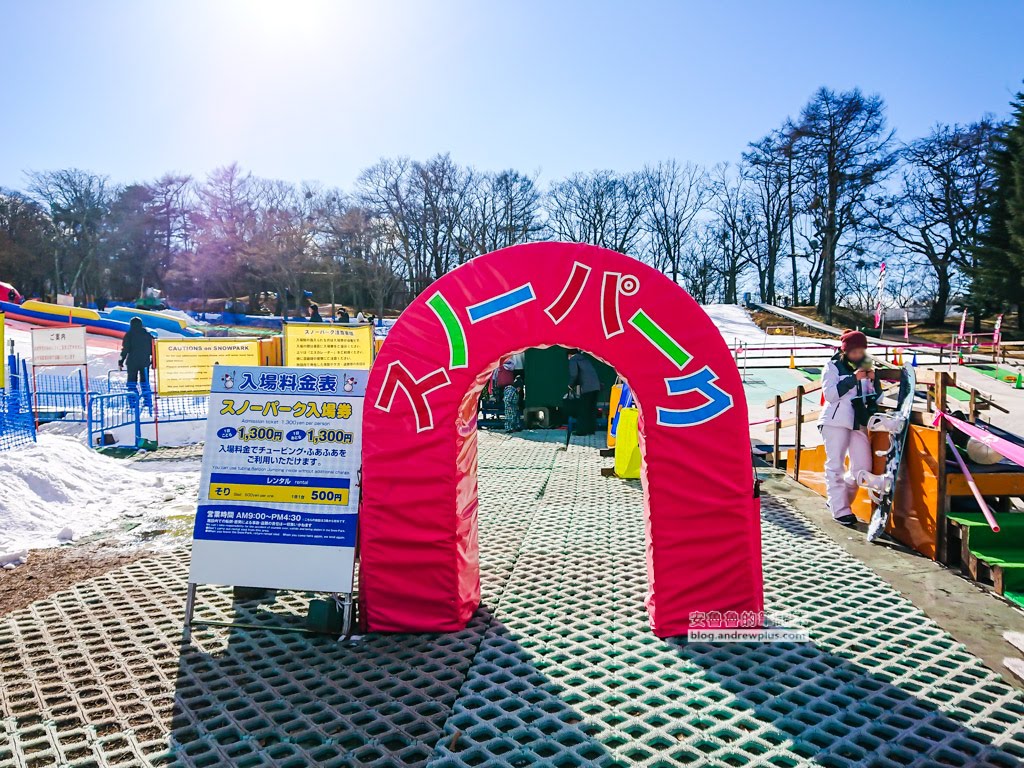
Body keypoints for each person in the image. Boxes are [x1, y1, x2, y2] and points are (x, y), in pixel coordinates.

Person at [819, 330, 878, 527]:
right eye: (853, 351)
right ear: (845, 351)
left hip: (858, 421)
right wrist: (853, 378)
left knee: (862, 468)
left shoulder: (867, 365)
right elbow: (830, 395)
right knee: (835, 465)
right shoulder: (833, 366)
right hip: (835, 421)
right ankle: (840, 509)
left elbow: (876, 398)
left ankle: (837, 501)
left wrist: (873, 380)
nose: (858, 355)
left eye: (861, 351)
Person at [119, 317, 155, 410]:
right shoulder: (148, 335)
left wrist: (121, 361)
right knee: (145, 382)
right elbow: (153, 350)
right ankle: (147, 402)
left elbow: (125, 349)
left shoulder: (129, 335)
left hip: (132, 362)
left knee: (131, 382)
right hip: (144, 362)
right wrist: (153, 361)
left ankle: (133, 402)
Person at [567, 348, 600, 436]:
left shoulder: (574, 360)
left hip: (587, 388)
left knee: (583, 410)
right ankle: (591, 430)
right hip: (596, 386)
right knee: (591, 409)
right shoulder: (584, 359)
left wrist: (570, 385)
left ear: (569, 355)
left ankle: (581, 431)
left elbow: (574, 374)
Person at [491, 357, 519, 432]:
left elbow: (511, 366)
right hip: (501, 389)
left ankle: (512, 426)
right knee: (510, 408)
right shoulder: (498, 367)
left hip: (509, 388)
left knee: (510, 406)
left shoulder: (509, 365)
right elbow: (494, 378)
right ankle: (511, 426)